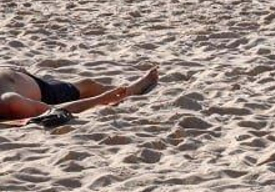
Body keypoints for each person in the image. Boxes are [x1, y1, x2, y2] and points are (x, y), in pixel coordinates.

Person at [0, 64, 159, 121]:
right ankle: (131, 91)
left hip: (20, 77)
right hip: (45, 91)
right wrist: (101, 99)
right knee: (87, 85)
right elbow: (53, 110)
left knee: (87, 84)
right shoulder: (10, 102)